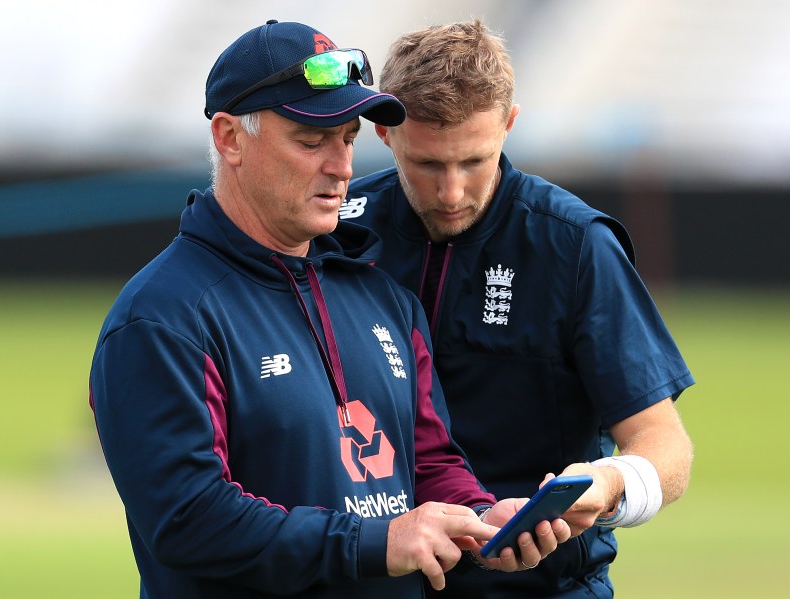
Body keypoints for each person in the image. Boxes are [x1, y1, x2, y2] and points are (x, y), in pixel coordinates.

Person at [89, 19, 572, 599]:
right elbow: (190, 519)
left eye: (347, 138)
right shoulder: (164, 316)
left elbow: (428, 462)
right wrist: (376, 543)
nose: (342, 166)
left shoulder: (383, 297)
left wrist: (479, 519)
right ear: (230, 139)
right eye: (311, 140)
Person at [342, 19, 696, 598]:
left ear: (509, 124)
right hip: (371, 581)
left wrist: (606, 484)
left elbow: (665, 444)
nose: (452, 192)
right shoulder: (334, 230)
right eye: (428, 165)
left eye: (474, 161)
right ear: (385, 134)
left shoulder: (576, 245)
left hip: (541, 588)